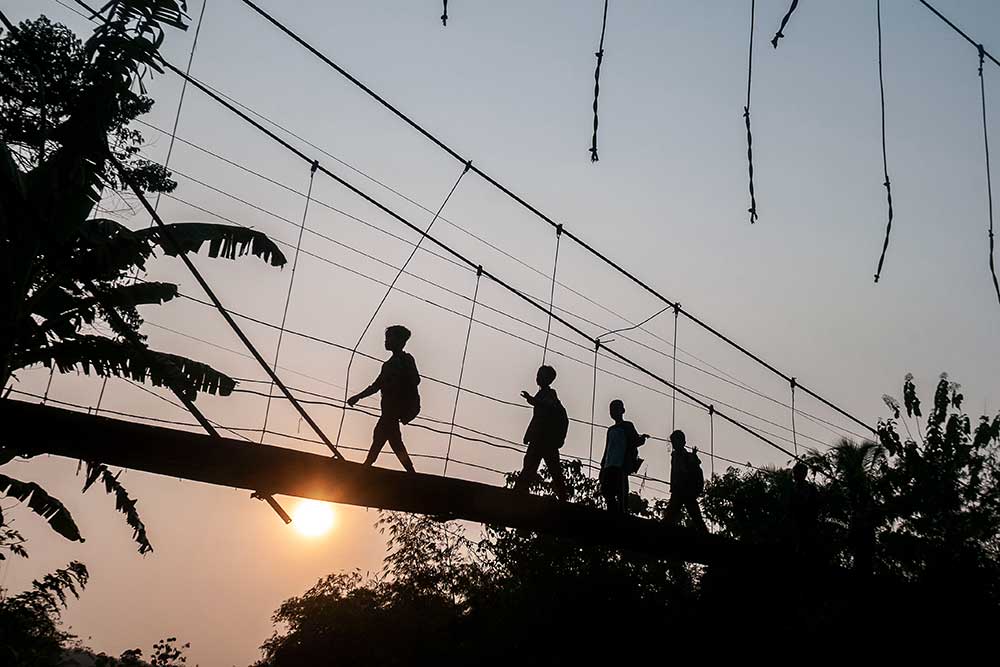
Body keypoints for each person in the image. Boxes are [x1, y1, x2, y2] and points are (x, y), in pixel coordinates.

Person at [347, 325, 420, 473]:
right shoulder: (387, 365)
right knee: (393, 440)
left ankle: (366, 467)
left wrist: (398, 381)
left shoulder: (406, 359)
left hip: (395, 408)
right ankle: (410, 472)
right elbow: (376, 385)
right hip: (388, 408)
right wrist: (358, 397)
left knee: (382, 435)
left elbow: (415, 380)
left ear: (400, 341)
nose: (386, 341)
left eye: (390, 338)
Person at [513, 365, 568, 500]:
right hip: (538, 438)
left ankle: (562, 495)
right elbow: (536, 418)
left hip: (546, 439)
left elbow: (547, 406)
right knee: (529, 464)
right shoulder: (541, 394)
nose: (537, 378)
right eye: (538, 375)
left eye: (541, 375)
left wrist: (533, 400)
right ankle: (520, 490)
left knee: (553, 468)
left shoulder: (551, 394)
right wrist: (528, 434)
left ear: (548, 379)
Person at [600, 399, 649, 514]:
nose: (613, 412)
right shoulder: (610, 430)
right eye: (611, 410)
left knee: (622, 495)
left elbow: (635, 441)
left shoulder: (627, 426)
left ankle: (621, 515)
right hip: (609, 466)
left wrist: (642, 439)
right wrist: (602, 466)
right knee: (608, 493)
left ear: (622, 410)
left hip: (621, 466)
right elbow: (607, 449)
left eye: (616, 409)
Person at [663, 430, 707, 532]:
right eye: (673, 442)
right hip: (679, 490)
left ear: (683, 442)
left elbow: (692, 469)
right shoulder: (675, 456)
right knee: (671, 515)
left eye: (675, 441)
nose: (674, 444)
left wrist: (692, 458)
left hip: (686, 491)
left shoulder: (688, 457)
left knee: (695, 516)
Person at [790, 461, 819, 555]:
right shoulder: (791, 489)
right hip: (793, 523)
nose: (795, 476)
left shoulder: (810, 489)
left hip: (806, 523)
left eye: (797, 473)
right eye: (794, 473)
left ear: (804, 474)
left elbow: (815, 506)